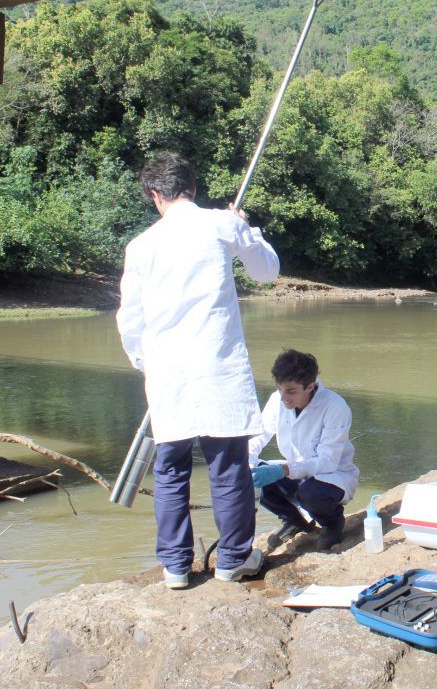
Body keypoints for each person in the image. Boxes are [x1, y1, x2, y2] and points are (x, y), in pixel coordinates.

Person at [116, 153, 280, 588]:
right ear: (192, 187)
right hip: (217, 365)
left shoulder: (141, 245)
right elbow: (267, 271)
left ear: (155, 195)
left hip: (167, 371)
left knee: (170, 469)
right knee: (228, 465)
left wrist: (143, 363)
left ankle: (175, 567)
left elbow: (129, 320)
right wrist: (246, 226)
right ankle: (233, 560)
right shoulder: (220, 224)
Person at [249, 349, 359, 552]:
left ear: (310, 386)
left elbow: (327, 462)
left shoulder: (335, 407)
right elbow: (259, 434)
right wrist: (246, 462)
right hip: (295, 471)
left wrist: (283, 470)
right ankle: (294, 520)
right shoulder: (278, 400)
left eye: (291, 391)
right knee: (253, 477)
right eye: (280, 389)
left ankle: (332, 523)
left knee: (311, 493)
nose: (284, 398)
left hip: (332, 476)